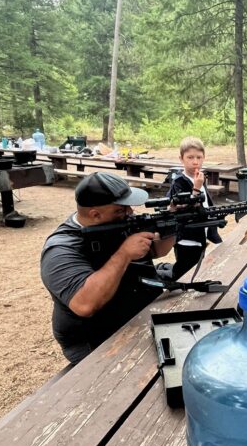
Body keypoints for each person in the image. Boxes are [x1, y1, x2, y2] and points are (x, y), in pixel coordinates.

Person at [40, 171, 176, 365]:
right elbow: (85, 304)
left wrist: (173, 222)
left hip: (138, 317)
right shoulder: (60, 250)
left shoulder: (117, 222)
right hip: (97, 340)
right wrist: (124, 254)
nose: (130, 212)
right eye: (121, 209)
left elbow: (157, 250)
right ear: (95, 214)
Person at [164, 136, 223, 281]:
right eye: (190, 157)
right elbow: (182, 209)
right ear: (181, 159)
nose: (195, 161)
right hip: (187, 238)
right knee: (183, 276)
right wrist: (196, 188)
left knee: (198, 270)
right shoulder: (179, 182)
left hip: (201, 235)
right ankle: (162, 275)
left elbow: (205, 204)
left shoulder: (200, 178)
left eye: (199, 157)